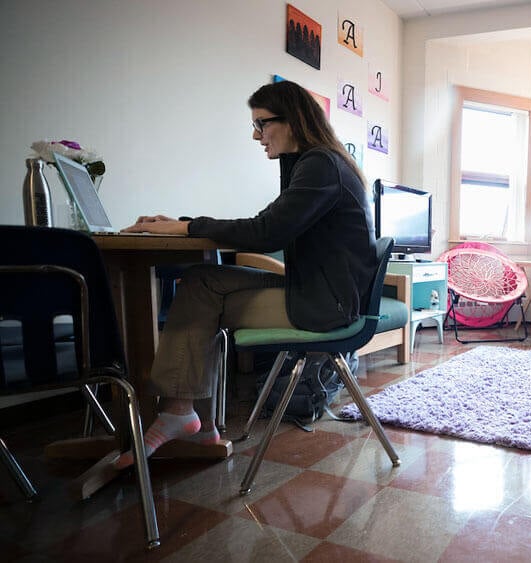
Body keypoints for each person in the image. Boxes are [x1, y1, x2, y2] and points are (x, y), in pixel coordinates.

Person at [115, 80, 376, 468]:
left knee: (202, 288)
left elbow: (266, 231)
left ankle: (182, 413)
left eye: (262, 124)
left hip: (326, 305)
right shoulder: (315, 163)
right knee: (204, 280)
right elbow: (269, 224)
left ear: (293, 121)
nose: (256, 135)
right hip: (322, 292)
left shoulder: (320, 164)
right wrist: (186, 223)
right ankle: (192, 419)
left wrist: (185, 227)